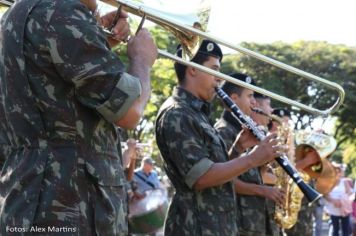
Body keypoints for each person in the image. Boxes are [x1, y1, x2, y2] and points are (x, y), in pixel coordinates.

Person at [0, 0, 157, 235]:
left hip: (26, 200)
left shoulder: (14, 16)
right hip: (72, 205)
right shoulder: (63, 12)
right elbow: (130, 111)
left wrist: (97, 41)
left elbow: (53, 89)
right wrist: (142, 60)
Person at [155, 39, 285, 236]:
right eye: (214, 69)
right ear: (192, 69)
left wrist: (239, 148)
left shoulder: (196, 112)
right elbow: (201, 177)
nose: (219, 79)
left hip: (215, 226)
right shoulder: (178, 113)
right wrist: (252, 159)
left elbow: (217, 170)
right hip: (195, 227)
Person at [214, 75, 284, 236]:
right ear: (234, 98)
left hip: (255, 219)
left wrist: (266, 160)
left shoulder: (245, 129)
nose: (254, 102)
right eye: (250, 96)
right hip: (239, 222)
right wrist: (263, 190)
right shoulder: (223, 131)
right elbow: (220, 178)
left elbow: (251, 175)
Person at [324, 163, 353, 236]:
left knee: (345, 230)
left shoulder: (345, 182)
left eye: (338, 171)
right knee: (335, 230)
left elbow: (350, 194)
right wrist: (334, 201)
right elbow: (325, 195)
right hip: (333, 210)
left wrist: (343, 201)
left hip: (344, 210)